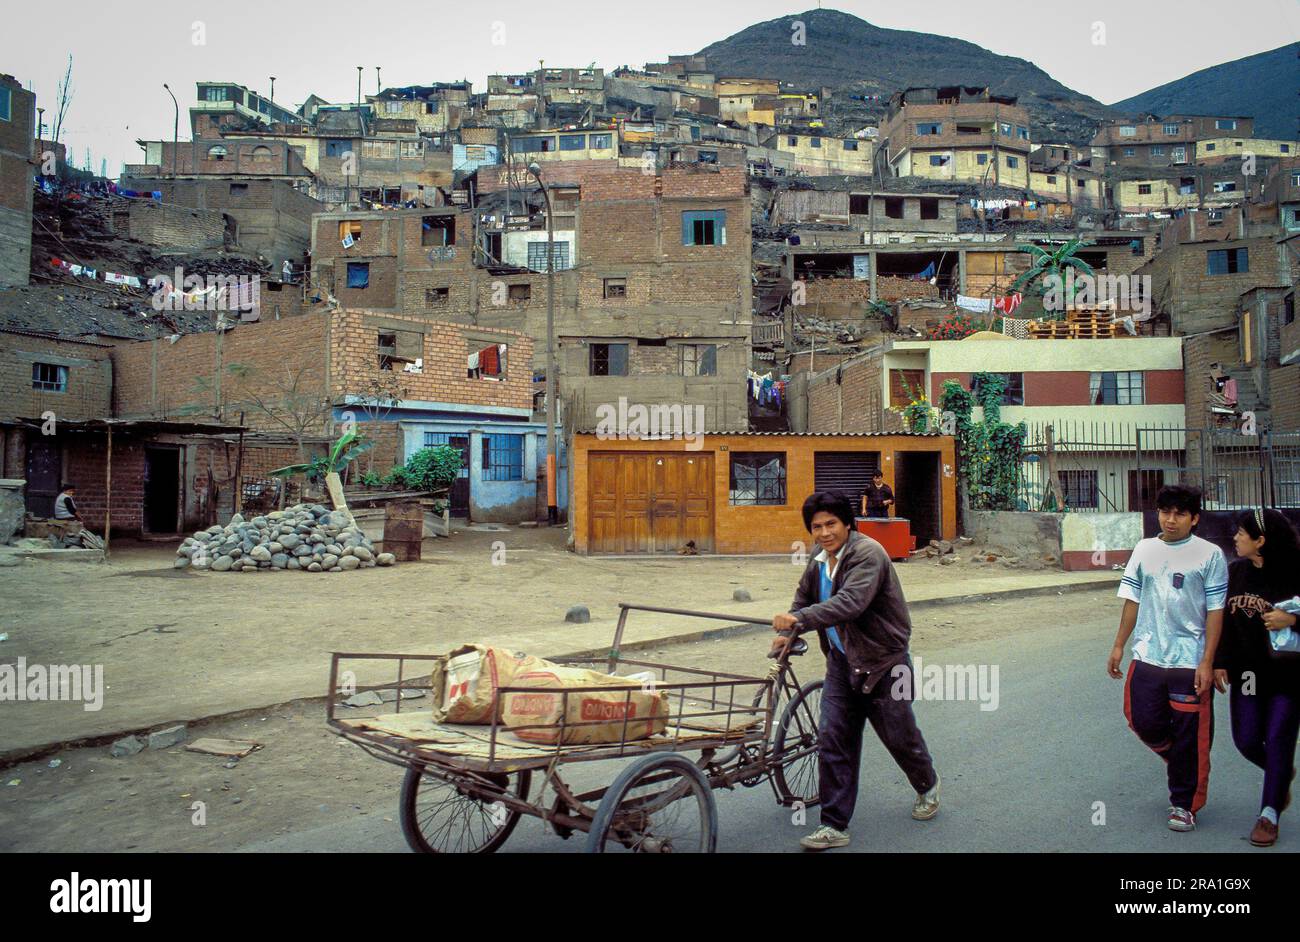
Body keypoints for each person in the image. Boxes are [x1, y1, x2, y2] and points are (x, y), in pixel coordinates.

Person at [772, 491, 939, 851]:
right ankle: (833, 825)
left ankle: (926, 784)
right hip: (842, 663)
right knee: (833, 737)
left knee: (899, 737)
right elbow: (803, 599)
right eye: (816, 526)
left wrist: (800, 619)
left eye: (831, 524)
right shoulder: (819, 560)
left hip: (885, 663)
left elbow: (850, 602)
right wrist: (788, 631)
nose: (824, 532)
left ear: (848, 523)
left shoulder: (868, 554)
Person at [1107, 484, 1227, 832]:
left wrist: (1207, 660)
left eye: (1179, 514)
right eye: (1165, 512)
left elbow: (1216, 612)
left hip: (1188, 661)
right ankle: (1182, 764)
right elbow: (1132, 599)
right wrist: (1118, 645)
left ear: (1194, 519)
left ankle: (1184, 804)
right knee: (1141, 720)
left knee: (1191, 735)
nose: (1170, 520)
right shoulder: (1145, 549)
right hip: (1148, 655)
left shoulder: (1210, 555)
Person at [1214, 508, 1300, 847]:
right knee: (1247, 740)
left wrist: (1292, 621)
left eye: (1241, 533)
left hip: (1289, 674)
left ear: (1260, 541)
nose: (1235, 537)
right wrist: (1220, 660)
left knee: (1278, 738)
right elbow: (1223, 621)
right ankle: (1281, 775)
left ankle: (1269, 814)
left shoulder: (1296, 571)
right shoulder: (1237, 572)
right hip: (1248, 675)